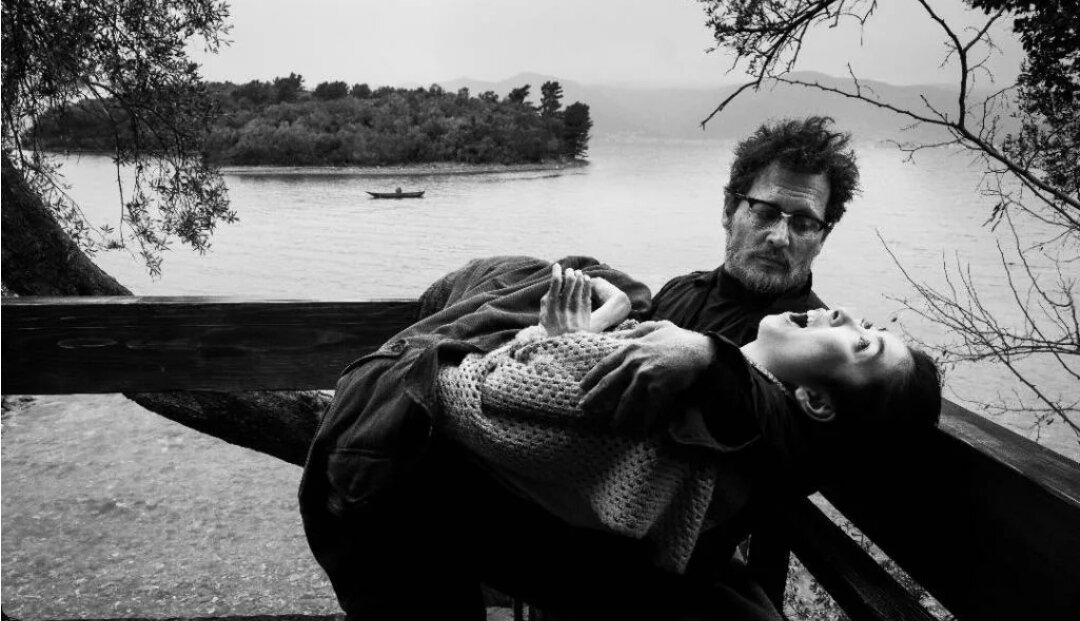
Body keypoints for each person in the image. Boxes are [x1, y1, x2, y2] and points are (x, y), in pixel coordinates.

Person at [299, 117, 916, 619]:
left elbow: (794, 440)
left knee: (395, 481)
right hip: (541, 507)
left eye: (803, 222)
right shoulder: (685, 293)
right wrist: (586, 328)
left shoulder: (805, 343)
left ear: (823, 235)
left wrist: (706, 358)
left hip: (628, 565)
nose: (780, 236)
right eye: (766, 212)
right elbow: (584, 381)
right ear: (731, 209)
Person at [437, 265, 940, 577]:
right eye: (865, 323)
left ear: (815, 401)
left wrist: (564, 340)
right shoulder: (693, 325)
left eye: (861, 343)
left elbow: (471, 391)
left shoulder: (698, 417)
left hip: (465, 500)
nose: (841, 312)